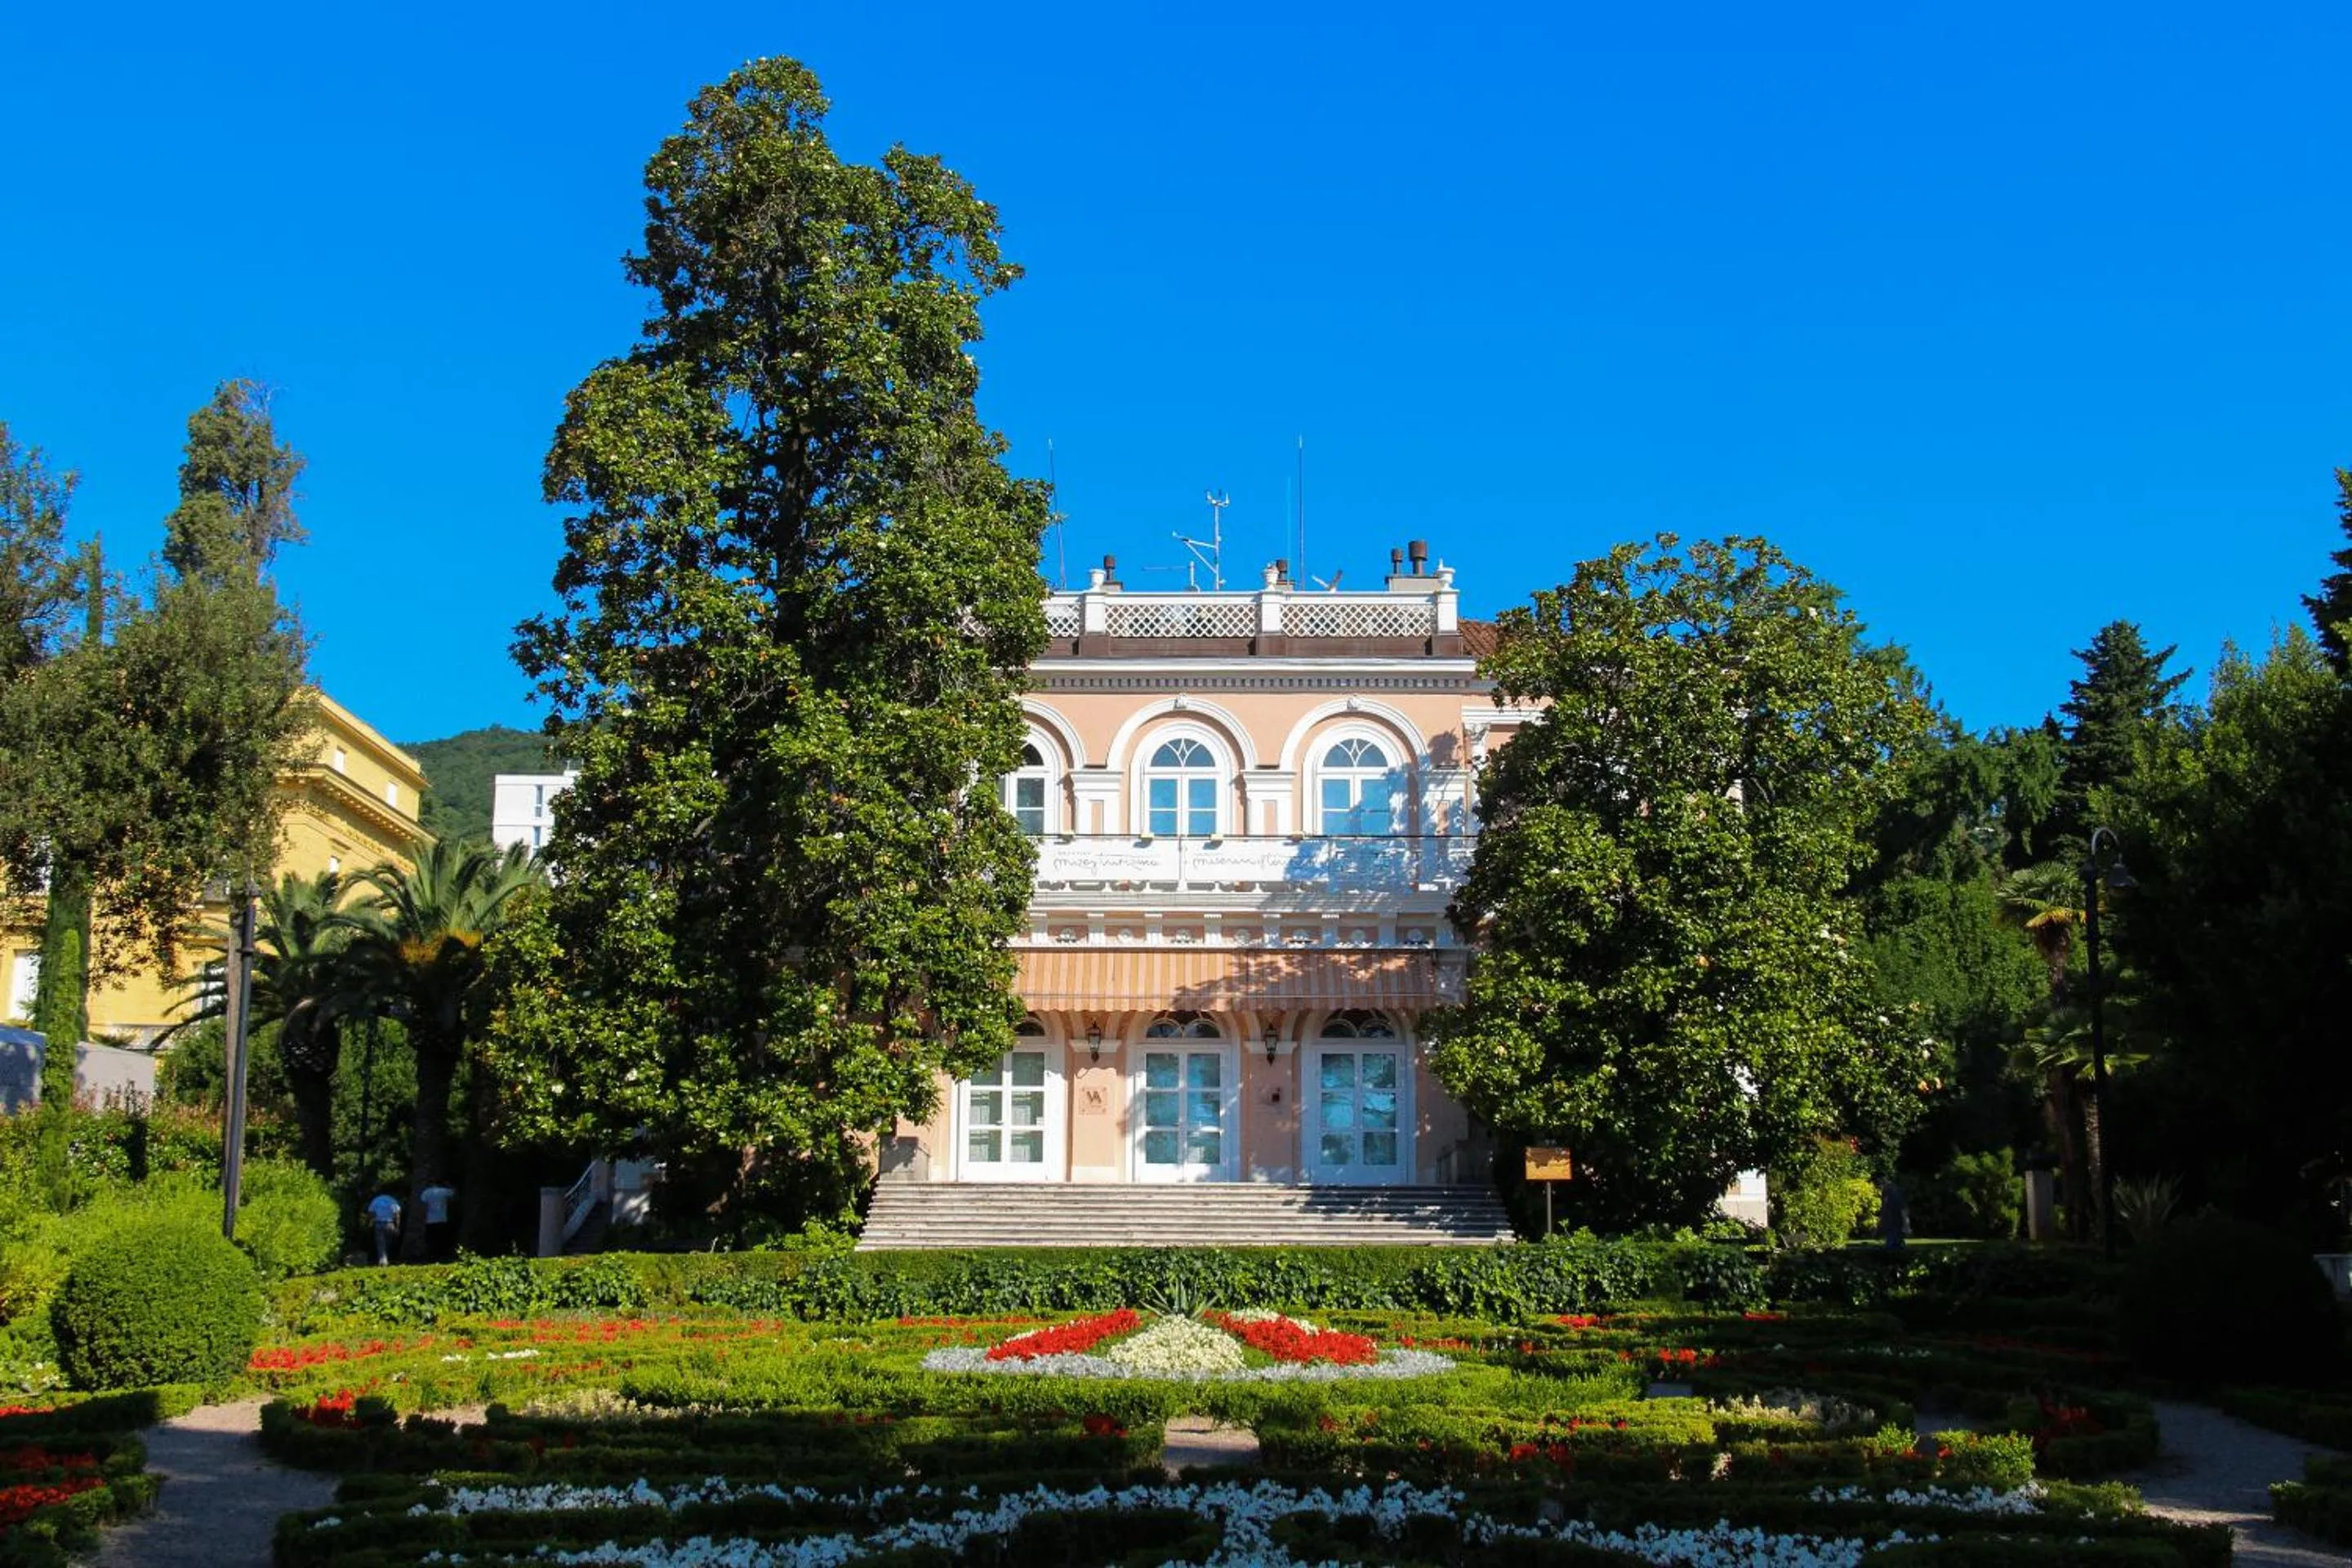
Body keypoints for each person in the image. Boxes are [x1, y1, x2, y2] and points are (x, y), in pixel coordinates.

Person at [419, 1180, 458, 1262]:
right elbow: (454, 1194)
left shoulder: (426, 1192)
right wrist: (449, 1184)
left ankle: (431, 1256)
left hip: (430, 1220)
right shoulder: (444, 1191)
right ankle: (441, 1255)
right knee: (441, 1238)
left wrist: (423, 1218)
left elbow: (424, 1206)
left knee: (431, 1239)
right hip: (442, 1218)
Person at [365, 1190, 403, 1266]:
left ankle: (383, 1261)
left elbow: (371, 1213)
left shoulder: (376, 1200)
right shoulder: (392, 1200)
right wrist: (398, 1227)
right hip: (390, 1223)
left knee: (380, 1244)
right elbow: (397, 1215)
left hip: (378, 1223)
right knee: (388, 1243)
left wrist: (369, 1223)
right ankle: (386, 1259)